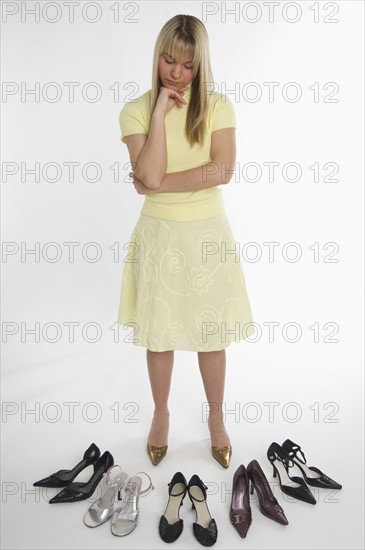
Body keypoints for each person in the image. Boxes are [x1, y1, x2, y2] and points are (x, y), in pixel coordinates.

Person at [117, 14, 255, 468]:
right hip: (159, 236)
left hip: (207, 235)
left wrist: (153, 181)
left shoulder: (218, 106)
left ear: (201, 65)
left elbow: (222, 171)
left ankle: (216, 418)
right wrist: (159, 113)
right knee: (160, 336)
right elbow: (150, 171)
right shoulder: (136, 111)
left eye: (188, 65)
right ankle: (161, 416)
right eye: (168, 60)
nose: (176, 73)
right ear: (157, 55)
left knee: (210, 335)